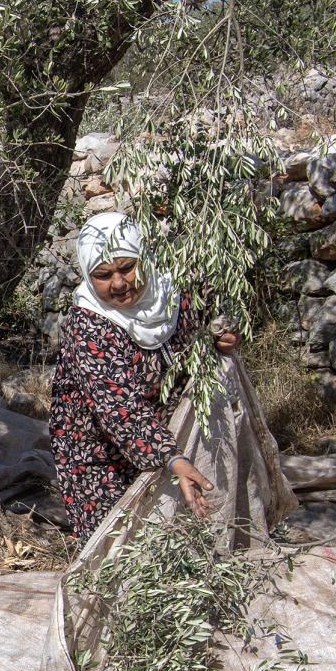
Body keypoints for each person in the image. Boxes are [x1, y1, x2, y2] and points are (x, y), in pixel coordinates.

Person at [49, 212, 240, 540]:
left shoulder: (176, 295)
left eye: (127, 267)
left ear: (144, 258)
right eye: (103, 274)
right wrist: (171, 457)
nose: (119, 283)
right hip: (97, 452)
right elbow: (118, 408)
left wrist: (224, 335)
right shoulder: (88, 325)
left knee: (178, 533)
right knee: (117, 546)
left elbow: (218, 316)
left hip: (163, 434)